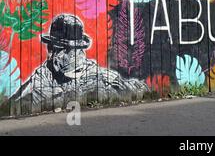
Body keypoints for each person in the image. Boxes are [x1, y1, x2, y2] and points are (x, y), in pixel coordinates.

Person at [12, 14, 149, 107]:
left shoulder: (96, 73)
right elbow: (15, 103)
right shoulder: (40, 79)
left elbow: (137, 88)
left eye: (78, 49)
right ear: (52, 50)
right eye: (66, 49)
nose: (74, 55)